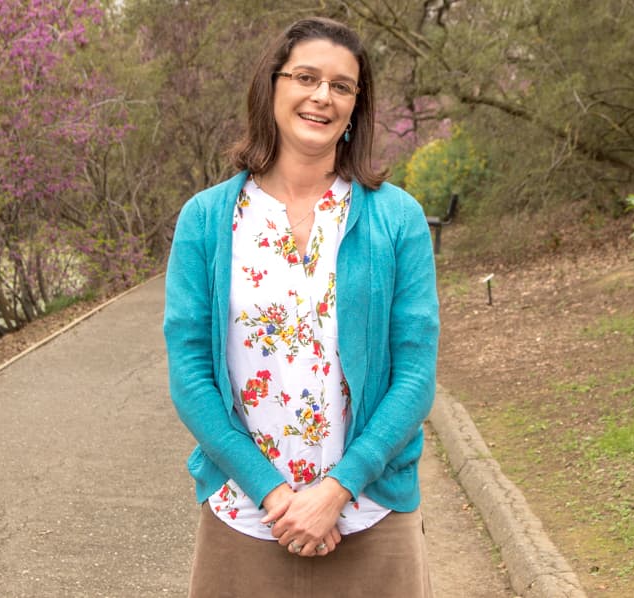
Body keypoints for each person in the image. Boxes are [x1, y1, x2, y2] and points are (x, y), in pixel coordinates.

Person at [163, 16, 439, 598]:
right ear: (272, 87)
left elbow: (415, 373)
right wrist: (274, 493)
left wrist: (338, 489)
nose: (323, 96)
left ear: (356, 105)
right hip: (246, 517)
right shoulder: (208, 220)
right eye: (307, 77)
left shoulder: (397, 218)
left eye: (342, 85)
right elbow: (190, 373)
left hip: (369, 517)